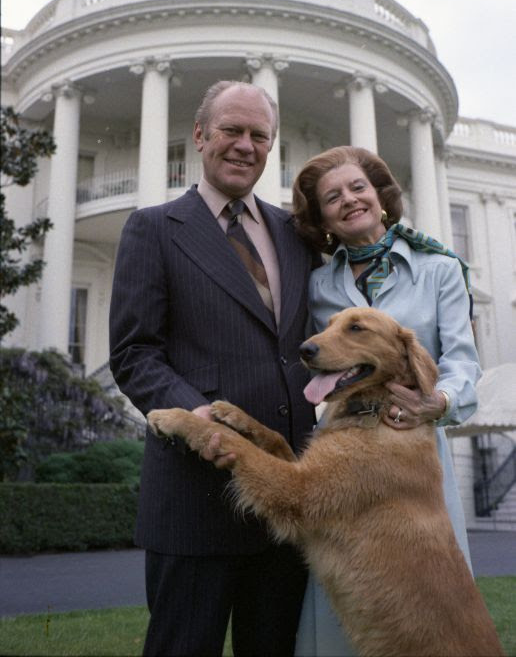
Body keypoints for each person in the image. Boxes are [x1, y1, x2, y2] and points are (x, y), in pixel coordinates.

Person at [109, 81, 319, 657]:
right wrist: (199, 422)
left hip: (283, 495)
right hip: (195, 498)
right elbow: (133, 353)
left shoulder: (296, 235)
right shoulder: (153, 229)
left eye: (259, 135)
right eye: (232, 130)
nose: (245, 145)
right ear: (200, 136)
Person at [290, 145, 481, 657]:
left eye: (357, 188)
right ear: (323, 218)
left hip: (413, 458)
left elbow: (463, 361)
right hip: (345, 458)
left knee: (428, 606)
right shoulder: (317, 285)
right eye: (332, 197)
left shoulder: (439, 268)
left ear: (380, 197)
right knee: (345, 595)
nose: (348, 200)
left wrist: (437, 401)